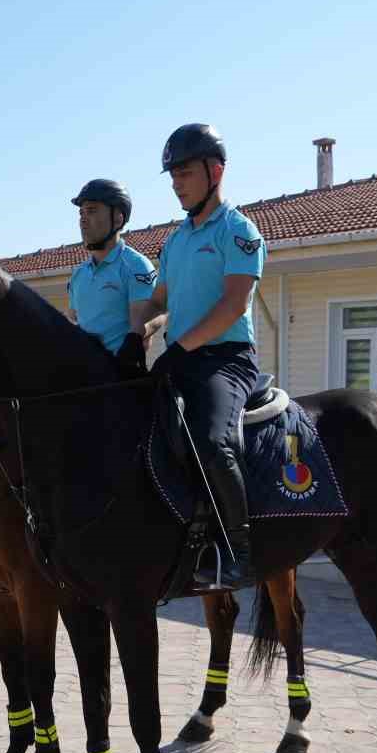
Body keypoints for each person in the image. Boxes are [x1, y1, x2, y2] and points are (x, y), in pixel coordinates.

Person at [138, 123, 265, 590]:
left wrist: (180, 349)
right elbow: (158, 303)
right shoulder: (176, 240)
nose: (176, 182)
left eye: (184, 172)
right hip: (181, 356)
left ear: (215, 171)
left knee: (212, 440)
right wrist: (142, 332)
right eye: (172, 175)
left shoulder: (238, 231)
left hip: (225, 359)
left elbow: (233, 305)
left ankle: (240, 553)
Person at [65, 179, 158, 377]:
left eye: (91, 211)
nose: (82, 219)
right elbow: (73, 323)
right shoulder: (78, 275)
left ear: (118, 218)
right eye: (81, 213)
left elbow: (141, 329)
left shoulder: (136, 267)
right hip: (81, 379)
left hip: (120, 380)